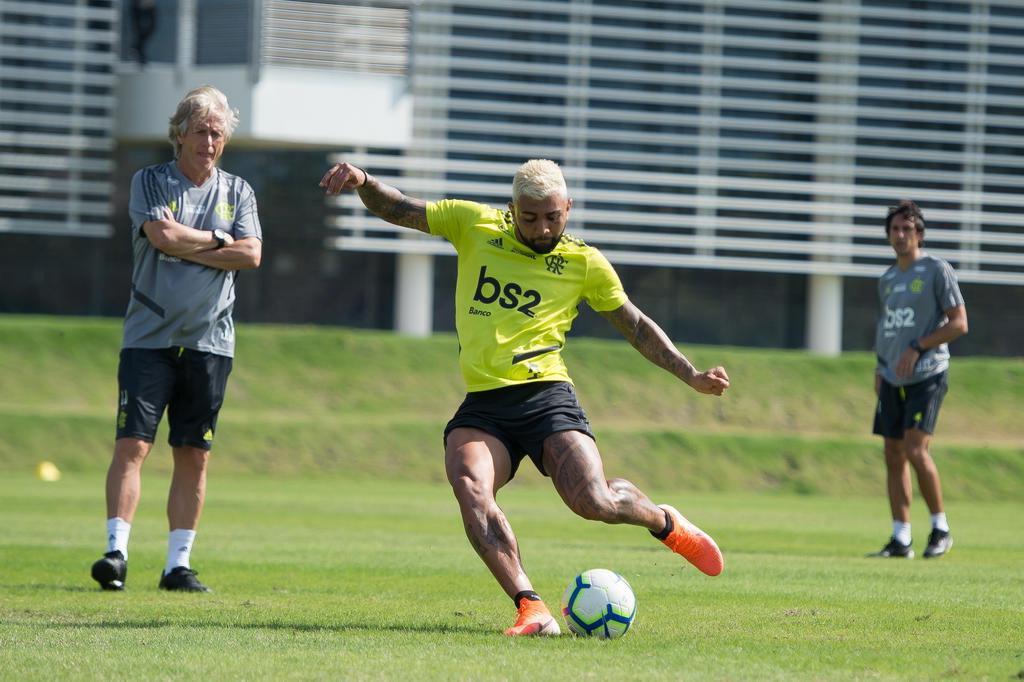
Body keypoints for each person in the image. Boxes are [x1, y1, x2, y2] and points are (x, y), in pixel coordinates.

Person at [319, 159, 730, 635]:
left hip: (546, 396)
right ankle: (530, 606)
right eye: (530, 217)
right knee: (470, 486)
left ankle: (663, 521)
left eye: (553, 216)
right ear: (512, 209)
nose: (542, 228)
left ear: (569, 208)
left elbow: (636, 326)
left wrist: (691, 375)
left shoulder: (584, 263)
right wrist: (364, 182)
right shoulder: (474, 224)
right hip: (485, 404)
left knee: (592, 501)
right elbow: (401, 209)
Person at [90, 86, 263, 592]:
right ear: (179, 134)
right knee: (132, 445)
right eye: (201, 131)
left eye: (218, 133)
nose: (210, 141)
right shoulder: (151, 181)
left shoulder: (240, 192)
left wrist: (195, 242)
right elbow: (161, 237)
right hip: (149, 338)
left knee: (194, 453)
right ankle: (116, 552)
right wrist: (218, 241)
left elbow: (252, 255)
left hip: (212, 342)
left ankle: (176, 565)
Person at [868, 200, 967, 560]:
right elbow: (887, 327)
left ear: (919, 234)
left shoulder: (937, 270)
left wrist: (917, 346)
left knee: (914, 449)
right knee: (892, 453)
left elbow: (959, 323)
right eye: (895, 229)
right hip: (892, 376)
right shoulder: (888, 279)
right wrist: (882, 367)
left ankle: (940, 528)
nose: (900, 234)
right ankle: (901, 538)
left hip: (928, 373)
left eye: (907, 229)